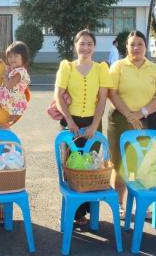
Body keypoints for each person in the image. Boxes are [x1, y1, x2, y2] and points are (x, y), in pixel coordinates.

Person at [55, 29, 112, 225]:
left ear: (94, 47)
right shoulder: (67, 67)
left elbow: (102, 100)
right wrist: (69, 121)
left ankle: (84, 212)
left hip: (92, 123)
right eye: (82, 43)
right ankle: (74, 212)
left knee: (91, 168)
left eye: (89, 44)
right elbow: (58, 96)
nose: (85, 47)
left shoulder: (101, 68)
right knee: (70, 167)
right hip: (70, 123)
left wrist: (94, 126)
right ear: (75, 45)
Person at [108, 30, 156, 218]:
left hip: (148, 118)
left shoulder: (155, 69)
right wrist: (129, 115)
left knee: (145, 162)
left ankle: (142, 203)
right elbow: (112, 93)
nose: (136, 48)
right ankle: (118, 203)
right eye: (132, 44)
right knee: (120, 164)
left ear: (146, 46)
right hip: (120, 119)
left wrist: (141, 113)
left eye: (140, 44)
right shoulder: (118, 66)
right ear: (126, 47)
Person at [0, 41, 31, 129]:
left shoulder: (19, 72)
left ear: (23, 58)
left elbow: (9, 86)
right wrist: (1, 61)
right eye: (10, 56)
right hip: (8, 105)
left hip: (12, 108)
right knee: (0, 126)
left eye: (16, 56)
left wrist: (5, 76)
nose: (12, 59)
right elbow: (7, 68)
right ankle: (6, 138)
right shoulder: (14, 69)